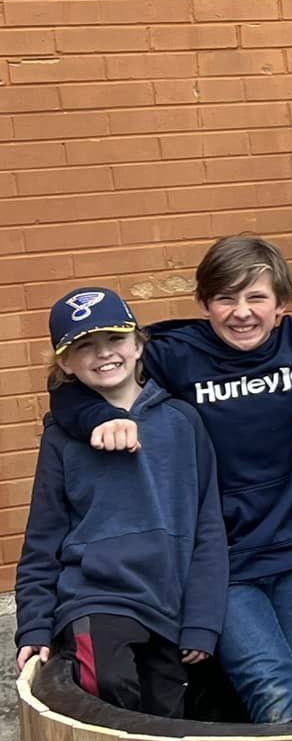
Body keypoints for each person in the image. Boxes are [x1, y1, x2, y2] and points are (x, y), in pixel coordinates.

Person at [46, 234, 292, 723]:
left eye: (257, 297)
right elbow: (80, 375)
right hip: (226, 559)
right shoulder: (176, 352)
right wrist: (96, 421)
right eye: (226, 298)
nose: (242, 312)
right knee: (276, 692)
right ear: (204, 303)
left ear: (281, 304)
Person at [17, 288, 227, 717]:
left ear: (137, 344)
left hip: (168, 602)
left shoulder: (183, 422)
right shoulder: (62, 437)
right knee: (107, 692)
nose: (104, 354)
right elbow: (43, 536)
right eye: (85, 347)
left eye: (114, 340)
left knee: (167, 720)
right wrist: (34, 624)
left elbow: (208, 525)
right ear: (65, 364)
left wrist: (203, 620)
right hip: (95, 598)